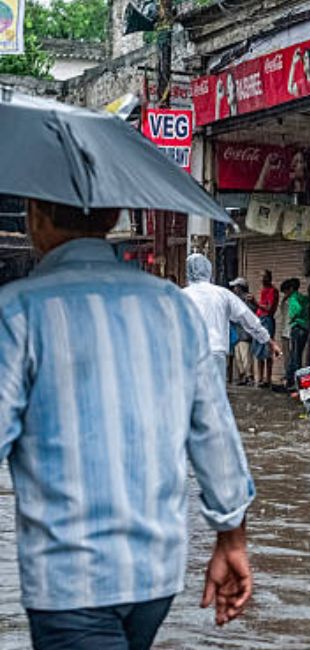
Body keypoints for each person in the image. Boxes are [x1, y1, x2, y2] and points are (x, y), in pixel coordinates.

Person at [0, 199, 256, 648]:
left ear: (36, 216)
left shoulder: (19, 310)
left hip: (70, 579)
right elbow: (214, 433)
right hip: (156, 576)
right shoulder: (171, 306)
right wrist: (231, 538)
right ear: (113, 217)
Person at [183, 255, 281, 382]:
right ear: (209, 271)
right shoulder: (223, 294)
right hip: (215, 353)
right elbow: (247, 318)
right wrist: (269, 341)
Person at [252, 270, 280, 388]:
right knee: (259, 351)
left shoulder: (273, 291)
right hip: (260, 320)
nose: (262, 279)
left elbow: (269, 308)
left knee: (267, 350)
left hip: (267, 320)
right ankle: (260, 378)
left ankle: (267, 379)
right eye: (261, 277)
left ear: (269, 278)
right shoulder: (264, 290)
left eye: (264, 277)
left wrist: (256, 303)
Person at [282, 277, 310, 389]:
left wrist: (292, 316)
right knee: (297, 355)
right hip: (305, 328)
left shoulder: (293, 298)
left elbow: (297, 309)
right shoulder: (302, 297)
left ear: (291, 289)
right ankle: (292, 381)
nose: (286, 294)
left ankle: (294, 383)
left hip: (297, 327)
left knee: (295, 357)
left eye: (286, 291)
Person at [229, 277, 258, 385]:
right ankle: (242, 376)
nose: (234, 289)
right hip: (237, 332)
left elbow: (251, 312)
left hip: (245, 332)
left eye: (236, 287)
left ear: (241, 287)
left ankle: (249, 377)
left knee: (246, 356)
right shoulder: (236, 299)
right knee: (239, 357)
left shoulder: (248, 298)